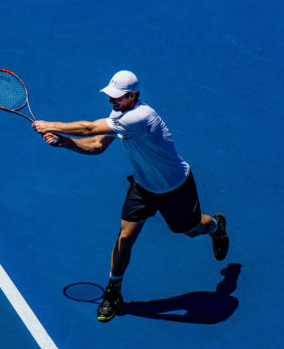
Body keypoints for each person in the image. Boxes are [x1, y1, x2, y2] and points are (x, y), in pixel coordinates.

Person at [32, 70, 229, 322]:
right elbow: (96, 146)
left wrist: (51, 125)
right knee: (125, 237)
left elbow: (89, 128)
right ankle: (113, 291)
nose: (111, 100)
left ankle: (216, 225)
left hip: (175, 187)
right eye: (110, 95)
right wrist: (65, 143)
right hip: (143, 186)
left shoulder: (140, 117)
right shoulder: (119, 114)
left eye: (117, 96)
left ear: (132, 95)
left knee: (190, 229)